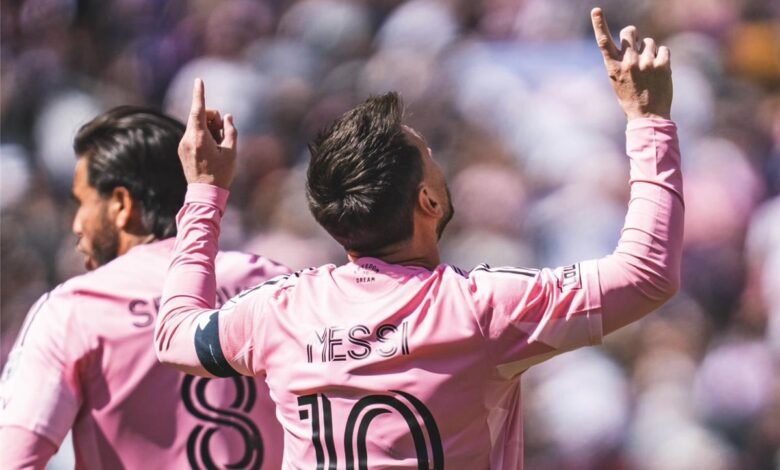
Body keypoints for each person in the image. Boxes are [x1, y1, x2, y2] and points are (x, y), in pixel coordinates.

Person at [155, 8, 683, 468]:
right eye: (429, 157)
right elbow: (646, 274)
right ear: (428, 202)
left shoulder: (279, 311)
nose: (438, 163)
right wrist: (649, 121)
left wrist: (205, 191)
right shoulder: (482, 310)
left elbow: (175, 335)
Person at [0, 107, 289, 469]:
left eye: (81, 203)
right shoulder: (273, 283)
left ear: (122, 204)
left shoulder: (72, 309)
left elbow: (14, 461)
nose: (76, 225)